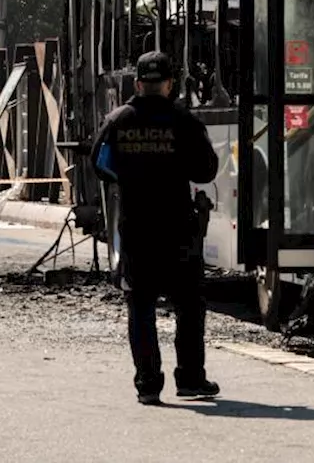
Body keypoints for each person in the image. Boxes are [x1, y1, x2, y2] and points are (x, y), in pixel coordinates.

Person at [90, 50, 221, 406]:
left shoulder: (117, 120)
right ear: (169, 84)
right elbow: (206, 171)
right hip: (178, 227)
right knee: (189, 306)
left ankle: (148, 383)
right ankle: (191, 378)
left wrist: (132, 179)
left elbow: (99, 165)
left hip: (136, 227)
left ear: (137, 84)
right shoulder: (184, 121)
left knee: (141, 306)